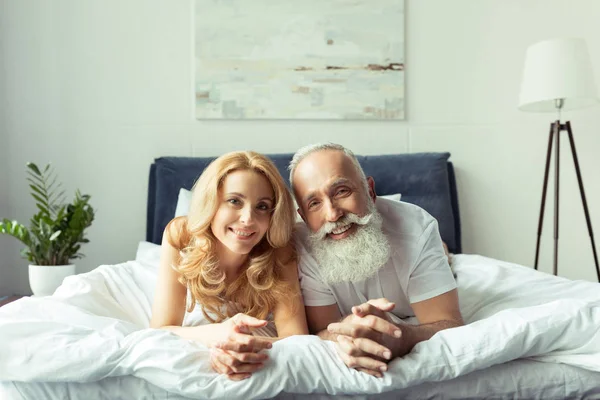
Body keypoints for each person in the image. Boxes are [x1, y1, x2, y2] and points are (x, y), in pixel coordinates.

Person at [289, 143, 464, 378]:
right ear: (303, 216)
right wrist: (347, 334)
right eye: (314, 203)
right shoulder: (301, 244)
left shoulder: (417, 228)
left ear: (370, 190)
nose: (333, 215)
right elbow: (322, 329)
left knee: (443, 258)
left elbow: (449, 324)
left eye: (341, 191)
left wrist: (399, 338)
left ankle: (443, 253)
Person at [150, 151, 308, 381]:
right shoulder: (180, 234)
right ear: (211, 203)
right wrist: (220, 336)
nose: (248, 218)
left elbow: (295, 337)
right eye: (234, 201)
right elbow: (161, 329)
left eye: (262, 206)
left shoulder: (280, 248)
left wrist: (241, 347)